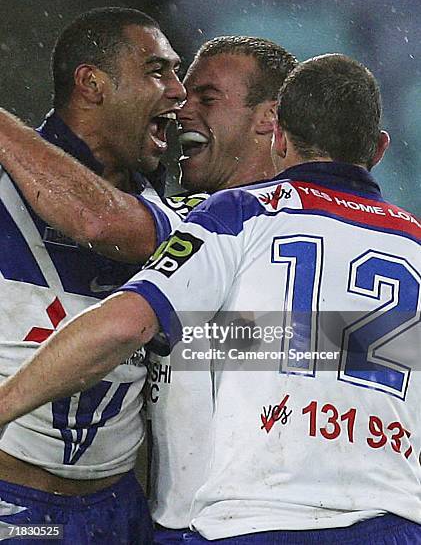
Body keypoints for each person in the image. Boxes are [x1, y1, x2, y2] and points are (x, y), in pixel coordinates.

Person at [0, 53, 419, 544]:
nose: (181, 106)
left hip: (240, 522)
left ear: (275, 128)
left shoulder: (233, 218)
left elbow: (105, 238)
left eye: (207, 97)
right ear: (381, 148)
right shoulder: (410, 243)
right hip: (391, 524)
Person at [0, 34, 298, 538]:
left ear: (269, 117)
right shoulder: (192, 216)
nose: (182, 106)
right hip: (163, 521)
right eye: (168, 79)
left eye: (206, 99)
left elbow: (100, 222)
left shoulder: (261, 223)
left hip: (278, 520)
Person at [0, 6, 186, 544]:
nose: (177, 91)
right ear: (92, 84)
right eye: (157, 71)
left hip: (119, 511)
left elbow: (96, 218)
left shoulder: (165, 212)